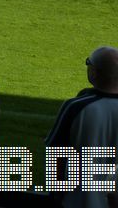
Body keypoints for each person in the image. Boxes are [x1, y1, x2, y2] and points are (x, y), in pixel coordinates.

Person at [46, 46, 118, 208]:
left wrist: (55, 194)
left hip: (78, 201)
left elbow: (57, 153)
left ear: (94, 72)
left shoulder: (76, 107)